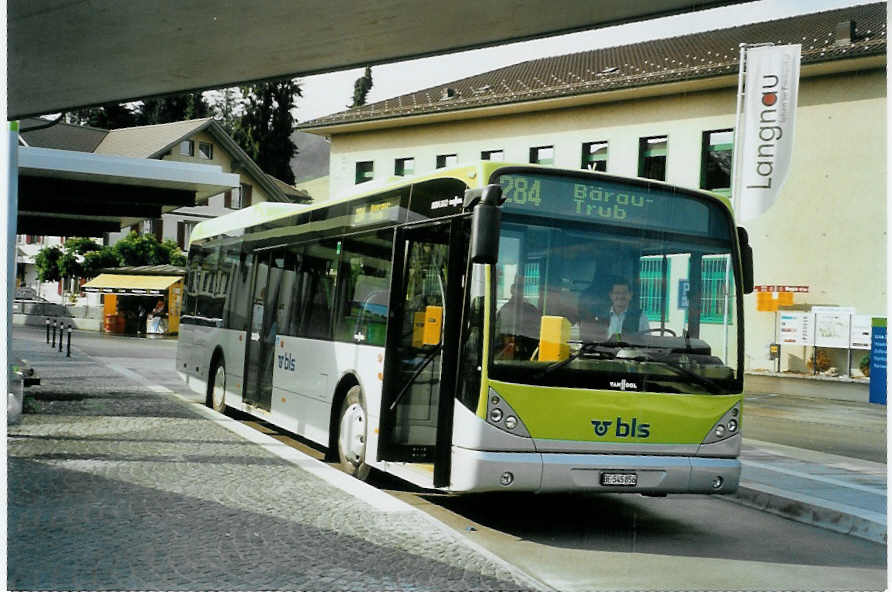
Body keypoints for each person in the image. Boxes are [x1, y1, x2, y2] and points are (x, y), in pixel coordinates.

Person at [580, 276, 649, 341]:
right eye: (617, 293)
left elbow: (645, 340)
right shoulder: (600, 315)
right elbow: (594, 339)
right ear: (611, 295)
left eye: (624, 293)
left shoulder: (640, 316)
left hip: (630, 353)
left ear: (630, 295)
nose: (621, 296)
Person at [495, 274, 541, 359]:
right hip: (506, 357)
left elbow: (539, 336)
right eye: (517, 287)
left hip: (529, 357)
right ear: (512, 289)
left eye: (521, 288)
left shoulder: (531, 310)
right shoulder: (504, 310)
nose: (519, 291)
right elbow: (497, 337)